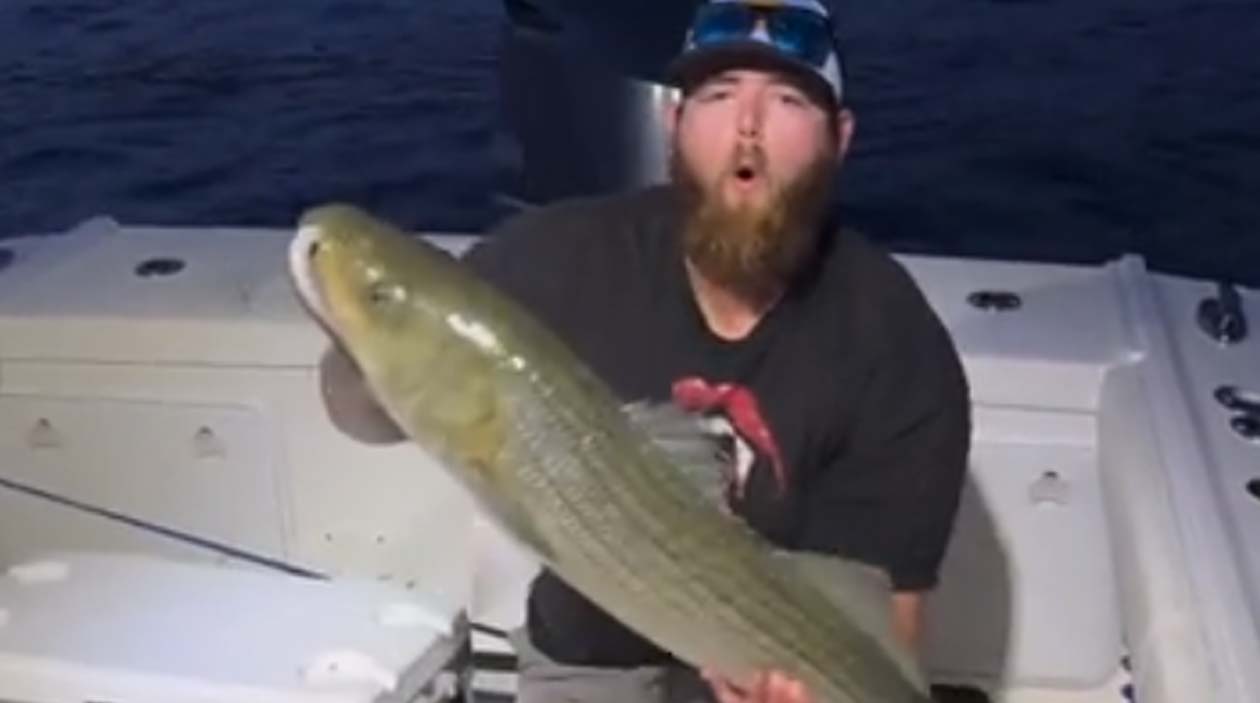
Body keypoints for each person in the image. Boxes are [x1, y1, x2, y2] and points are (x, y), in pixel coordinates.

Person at [318, 0, 972, 701]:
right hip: (586, 670)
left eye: (788, 100)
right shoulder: (556, 255)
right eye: (719, 96)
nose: (748, 127)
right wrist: (357, 340)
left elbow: (880, 622)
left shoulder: (896, 344)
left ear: (838, 138)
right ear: (672, 121)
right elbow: (358, 413)